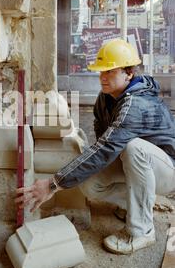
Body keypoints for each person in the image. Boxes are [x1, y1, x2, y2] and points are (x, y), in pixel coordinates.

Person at [15, 38, 175, 255]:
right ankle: (134, 205)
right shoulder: (105, 98)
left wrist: (53, 184)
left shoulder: (136, 104)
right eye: (101, 71)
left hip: (167, 169)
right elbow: (101, 140)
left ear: (128, 73)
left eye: (110, 71)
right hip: (137, 166)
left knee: (133, 148)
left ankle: (141, 230)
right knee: (89, 184)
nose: (103, 77)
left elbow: (105, 148)